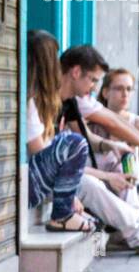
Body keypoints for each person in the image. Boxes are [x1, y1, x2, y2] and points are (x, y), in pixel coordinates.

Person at [59, 45, 139, 257]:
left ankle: (132, 232)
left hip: (70, 174)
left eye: (129, 89)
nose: (94, 87)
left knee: (118, 165)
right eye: (93, 80)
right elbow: (53, 160)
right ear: (76, 72)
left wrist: (137, 146)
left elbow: (111, 122)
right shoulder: (45, 101)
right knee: (91, 184)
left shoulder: (75, 101)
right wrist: (109, 174)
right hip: (57, 177)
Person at [26, 30, 93, 232]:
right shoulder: (28, 102)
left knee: (95, 224)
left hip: (37, 181)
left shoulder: (41, 102)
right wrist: (67, 196)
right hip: (28, 184)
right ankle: (62, 215)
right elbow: (38, 151)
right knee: (75, 143)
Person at [96, 67, 139, 204]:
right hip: (103, 186)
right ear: (105, 92)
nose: (125, 94)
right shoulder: (94, 122)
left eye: (129, 89)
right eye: (119, 88)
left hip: (131, 188)